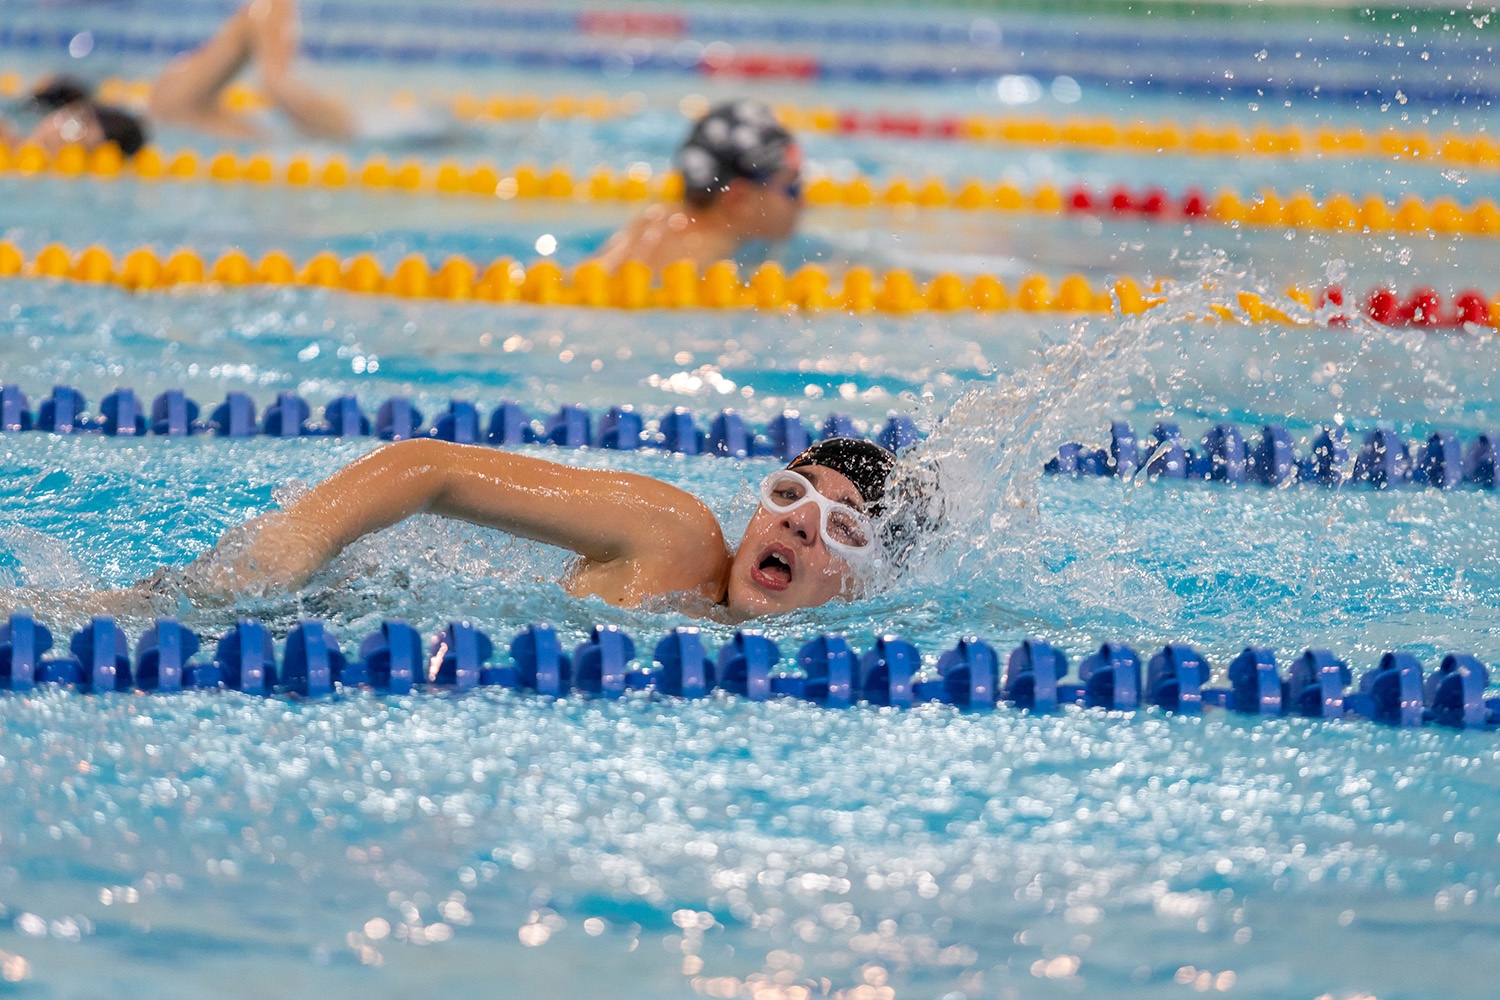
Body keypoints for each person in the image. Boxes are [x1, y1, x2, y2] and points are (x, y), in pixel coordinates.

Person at [112, 436, 905, 622]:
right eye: (791, 492)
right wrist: (301, 539)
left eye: (843, 527)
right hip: (316, 611)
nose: (801, 523)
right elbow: (428, 466)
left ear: (871, 582)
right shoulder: (675, 535)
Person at [0, 0, 380, 157]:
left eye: (77, 122)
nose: (58, 129)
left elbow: (258, 14)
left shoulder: (166, 107)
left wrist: (278, 82)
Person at [592, 98, 805, 272]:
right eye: (792, 188)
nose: (804, 202)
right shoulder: (699, 261)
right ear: (738, 199)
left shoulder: (653, 220)